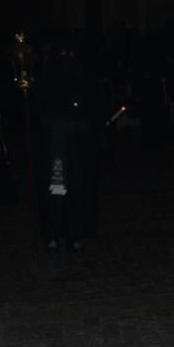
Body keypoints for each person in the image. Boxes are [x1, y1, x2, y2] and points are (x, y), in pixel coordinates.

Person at [33, 37, 102, 251]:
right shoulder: (74, 77)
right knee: (63, 187)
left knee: (66, 188)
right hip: (62, 144)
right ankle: (65, 234)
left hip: (65, 143)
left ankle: (62, 234)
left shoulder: (56, 76)